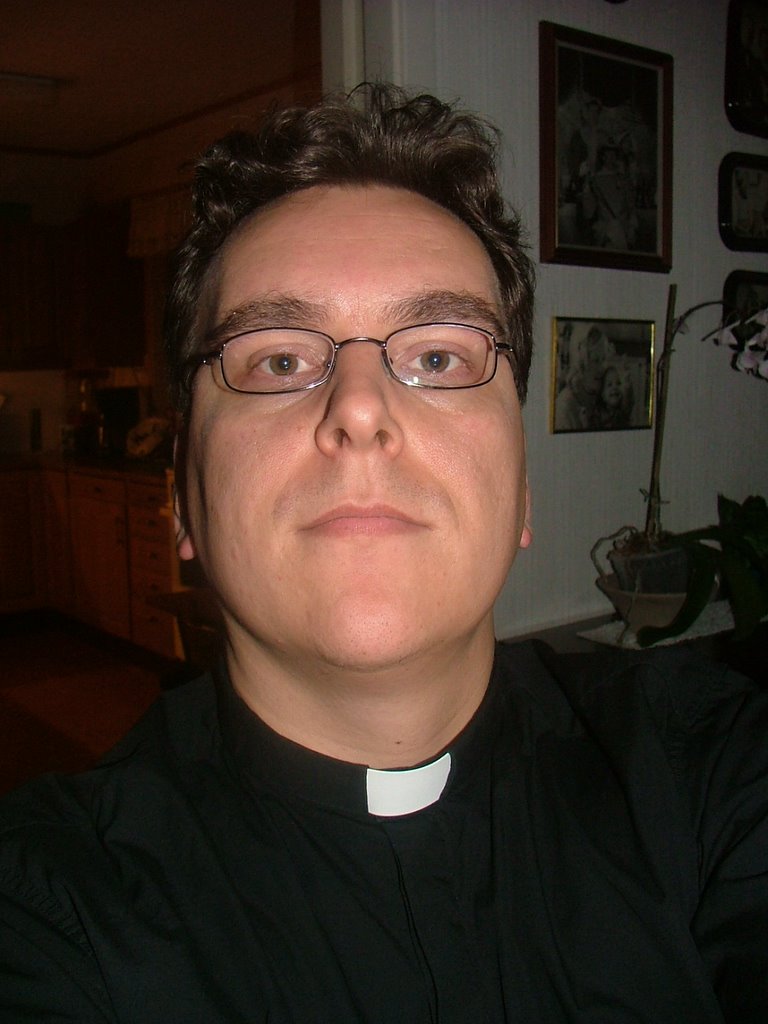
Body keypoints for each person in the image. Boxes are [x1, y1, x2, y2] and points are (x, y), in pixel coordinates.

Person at [1, 84, 766, 1023]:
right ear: (183, 501)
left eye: (439, 357)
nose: (360, 408)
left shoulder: (712, 765)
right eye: (278, 359)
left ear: (522, 493)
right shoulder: (51, 907)